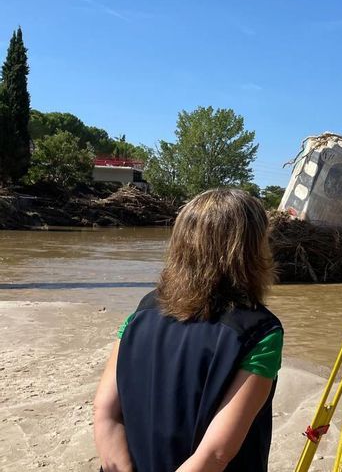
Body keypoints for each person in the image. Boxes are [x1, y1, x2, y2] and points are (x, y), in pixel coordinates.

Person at [93, 189, 283, 472]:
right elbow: (215, 454)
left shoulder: (142, 311)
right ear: (252, 250)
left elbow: (105, 414)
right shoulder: (261, 333)